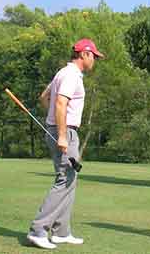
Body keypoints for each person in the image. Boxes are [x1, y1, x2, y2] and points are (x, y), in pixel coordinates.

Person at [27, 38, 104, 250]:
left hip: (60, 129)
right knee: (64, 179)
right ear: (84, 54)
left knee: (70, 178)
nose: (95, 61)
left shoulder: (63, 72)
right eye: (94, 56)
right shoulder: (71, 75)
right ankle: (38, 229)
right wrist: (61, 133)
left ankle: (61, 232)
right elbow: (60, 102)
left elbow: (44, 98)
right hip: (65, 132)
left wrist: (52, 122)